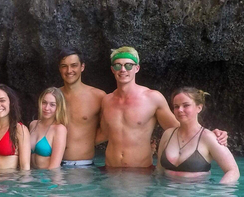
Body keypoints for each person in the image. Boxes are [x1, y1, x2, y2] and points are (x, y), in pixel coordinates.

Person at [98, 46, 228, 169]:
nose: (123, 70)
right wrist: (77, 145)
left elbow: (179, 127)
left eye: (128, 65)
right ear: (112, 69)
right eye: (118, 65)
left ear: (136, 68)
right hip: (110, 170)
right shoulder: (107, 100)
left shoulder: (153, 98)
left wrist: (212, 135)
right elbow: (103, 133)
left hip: (140, 172)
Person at [157, 87, 239, 184]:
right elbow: (159, 169)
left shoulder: (208, 137)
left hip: (196, 196)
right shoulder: (167, 134)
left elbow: (233, 171)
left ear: (199, 108)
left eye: (186, 105)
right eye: (176, 106)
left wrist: (218, 192)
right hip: (166, 195)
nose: (180, 110)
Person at [58, 48, 106, 167]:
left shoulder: (98, 96)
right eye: (64, 66)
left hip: (84, 165)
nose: (69, 70)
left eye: (74, 65)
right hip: (54, 165)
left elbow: (108, 130)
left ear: (82, 67)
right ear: (59, 69)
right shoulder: (53, 97)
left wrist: (86, 142)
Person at [0, 84, 31, 170]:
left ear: (11, 102)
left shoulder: (20, 129)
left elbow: (25, 168)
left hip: (8, 181)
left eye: (2, 100)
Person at [29, 87, 68, 169]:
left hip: (47, 178)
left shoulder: (59, 129)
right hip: (31, 177)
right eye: (44, 103)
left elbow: (55, 166)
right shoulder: (33, 124)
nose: (46, 108)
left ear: (59, 107)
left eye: (52, 105)